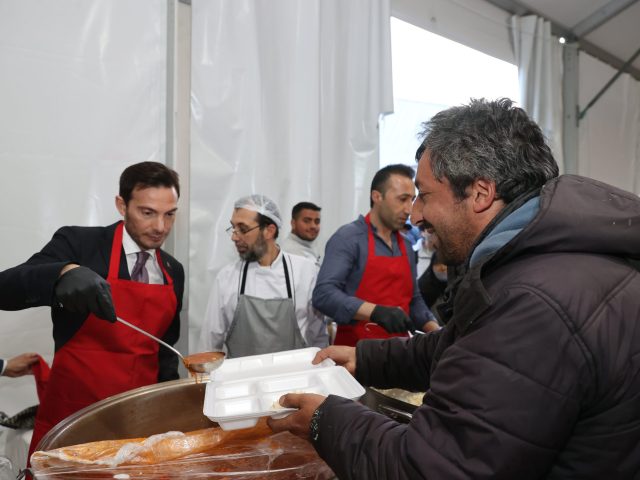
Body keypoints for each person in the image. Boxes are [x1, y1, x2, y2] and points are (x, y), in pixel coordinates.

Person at [269, 98, 640, 478]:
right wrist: (368, 359)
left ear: (480, 193)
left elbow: (434, 469)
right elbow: (466, 345)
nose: (416, 215)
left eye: (425, 195)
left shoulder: (531, 301)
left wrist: (326, 420)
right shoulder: (547, 262)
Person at [0, 161, 184, 455]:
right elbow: (5, 289)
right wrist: (62, 272)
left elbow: (164, 352)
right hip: (76, 415)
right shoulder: (80, 244)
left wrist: (169, 411)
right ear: (121, 205)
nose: (160, 227)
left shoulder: (174, 271)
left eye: (170, 214)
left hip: (139, 420)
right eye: (147, 213)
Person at [312, 164, 438, 346]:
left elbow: (413, 299)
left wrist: (437, 331)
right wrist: (376, 312)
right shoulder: (348, 238)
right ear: (377, 196)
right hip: (355, 352)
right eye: (402, 200)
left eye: (411, 200)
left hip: (400, 352)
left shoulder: (407, 246)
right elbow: (324, 295)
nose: (409, 209)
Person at [199, 194, 328, 358]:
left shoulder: (305, 271)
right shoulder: (227, 277)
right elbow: (209, 343)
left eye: (243, 229)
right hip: (241, 380)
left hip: (294, 378)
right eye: (233, 228)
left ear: (269, 230)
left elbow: (318, 338)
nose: (234, 236)